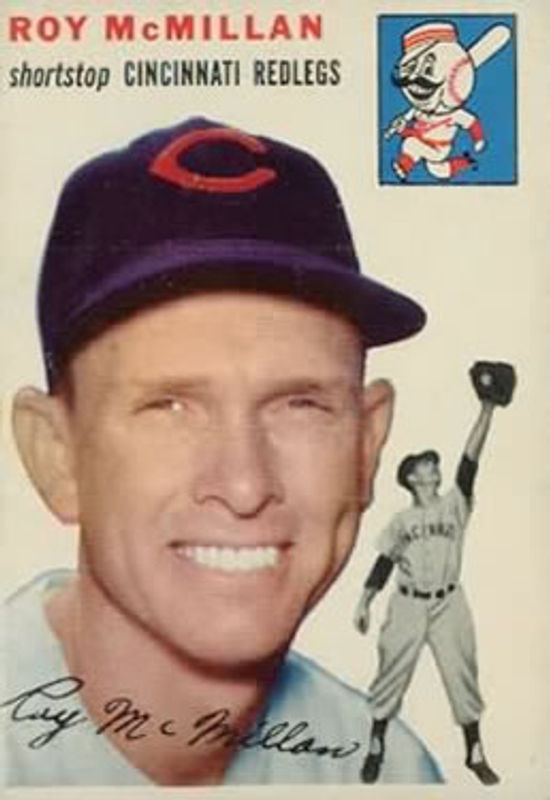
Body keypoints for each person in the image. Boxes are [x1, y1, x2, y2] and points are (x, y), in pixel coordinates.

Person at [4, 116, 441, 785]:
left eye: (300, 404)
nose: (244, 485)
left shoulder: (389, 773)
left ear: (367, 444)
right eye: (169, 406)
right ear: (55, 455)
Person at [355, 362, 516, 786]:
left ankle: (475, 751)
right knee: (391, 672)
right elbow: (383, 563)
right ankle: (376, 743)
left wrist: (487, 410)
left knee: (462, 673)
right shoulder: (401, 521)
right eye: (424, 465)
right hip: (407, 603)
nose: (432, 468)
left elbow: (470, 461)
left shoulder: (454, 504)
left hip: (449, 602)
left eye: (432, 464)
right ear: (411, 478)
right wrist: (365, 601)